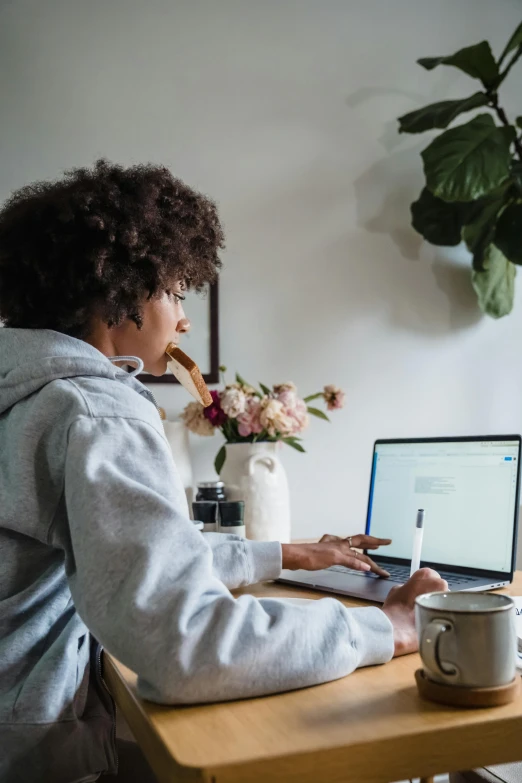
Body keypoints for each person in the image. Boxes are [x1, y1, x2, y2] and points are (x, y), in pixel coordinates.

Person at [0, 160, 447, 783]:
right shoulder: (95, 411)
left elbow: (125, 563)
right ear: (118, 292)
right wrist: (389, 627)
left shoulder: (27, 396)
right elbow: (185, 645)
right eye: (177, 293)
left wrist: (281, 554)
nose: (183, 319)